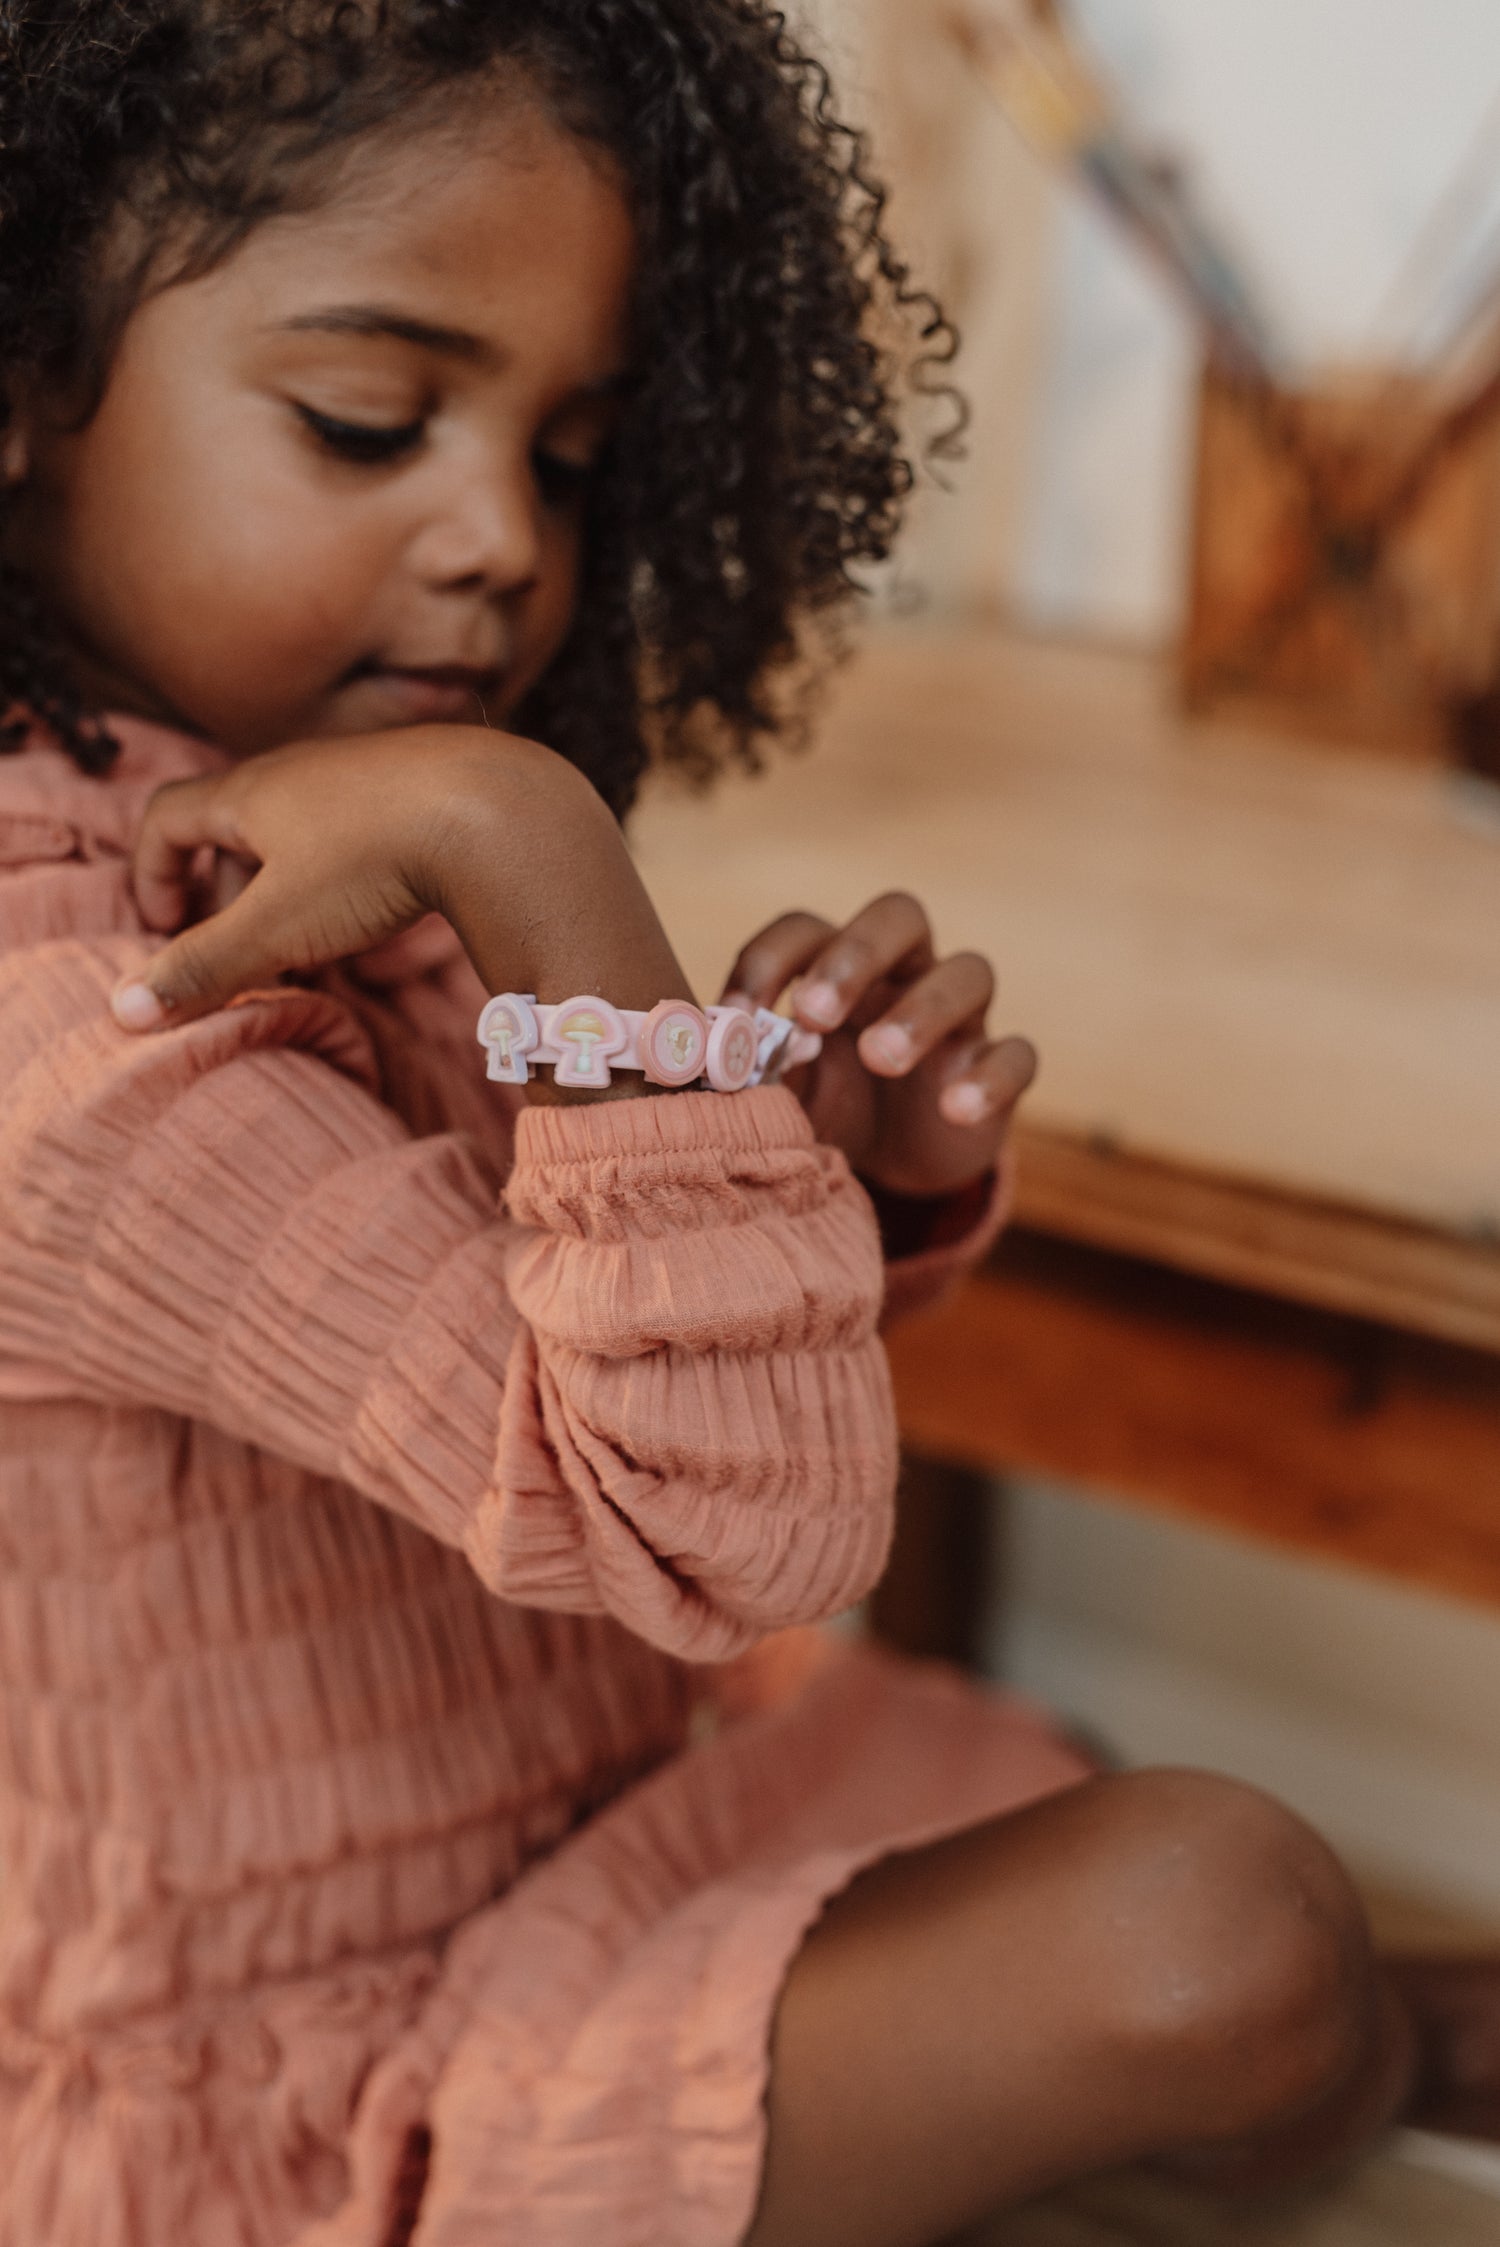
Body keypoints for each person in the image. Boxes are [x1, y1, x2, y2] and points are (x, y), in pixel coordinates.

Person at [0, 5, 1495, 2244]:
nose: (501, 536)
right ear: (17, 390)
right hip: (325, 2098)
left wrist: (822, 1172)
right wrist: (527, 839)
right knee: (1218, 1914)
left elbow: (592, 1352)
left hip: (608, 1827)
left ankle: (1338, 2051)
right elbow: (723, 1530)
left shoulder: (272, 806)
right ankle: (1354, 2078)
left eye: (575, 453)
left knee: (1045, 1787)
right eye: (367, 419)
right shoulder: (85, 990)